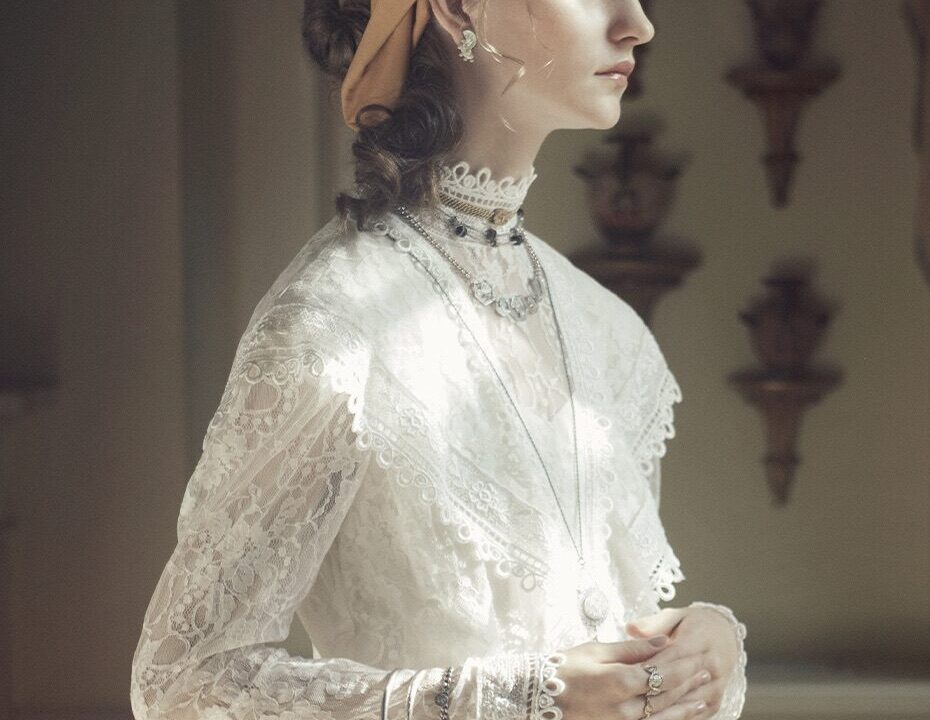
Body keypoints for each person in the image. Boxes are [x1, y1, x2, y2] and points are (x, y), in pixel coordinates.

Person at [129, 0, 748, 718]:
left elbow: (604, 656)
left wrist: (695, 657)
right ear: (457, 8)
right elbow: (181, 684)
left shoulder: (610, 332)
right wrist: (514, 699)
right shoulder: (334, 326)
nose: (637, 23)